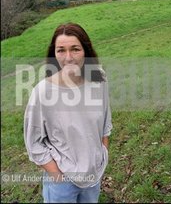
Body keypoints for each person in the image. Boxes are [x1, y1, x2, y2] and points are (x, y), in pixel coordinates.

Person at [24, 22, 113, 203]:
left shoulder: (99, 80)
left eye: (75, 49)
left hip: (93, 175)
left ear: (86, 51)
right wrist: (57, 175)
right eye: (61, 50)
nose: (68, 57)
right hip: (62, 182)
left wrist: (102, 152)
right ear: (54, 54)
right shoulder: (43, 92)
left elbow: (105, 121)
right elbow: (33, 142)